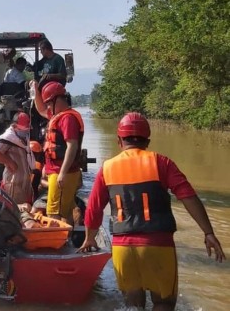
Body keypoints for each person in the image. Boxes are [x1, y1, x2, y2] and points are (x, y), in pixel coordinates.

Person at [79, 112, 226, 310]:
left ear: (119, 140)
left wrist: (89, 238)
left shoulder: (107, 168)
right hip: (158, 245)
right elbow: (188, 197)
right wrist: (208, 232)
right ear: (147, 140)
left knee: (133, 305)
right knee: (164, 303)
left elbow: (94, 208)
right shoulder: (162, 163)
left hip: (123, 248)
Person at [31, 81, 84, 224]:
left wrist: (62, 172)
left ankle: (56, 241)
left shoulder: (67, 119)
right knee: (64, 208)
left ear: (57, 100)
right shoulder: (58, 115)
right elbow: (41, 109)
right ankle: (69, 233)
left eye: (49, 103)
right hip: (55, 170)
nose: (47, 107)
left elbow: (72, 146)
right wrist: (35, 91)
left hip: (62, 171)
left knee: (53, 211)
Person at [0, 112, 35, 205]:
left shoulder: (23, 137)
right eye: (23, 129)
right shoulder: (8, 139)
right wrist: (9, 162)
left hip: (24, 184)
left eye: (27, 129)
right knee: (17, 212)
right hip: (14, 184)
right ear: (14, 126)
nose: (25, 131)